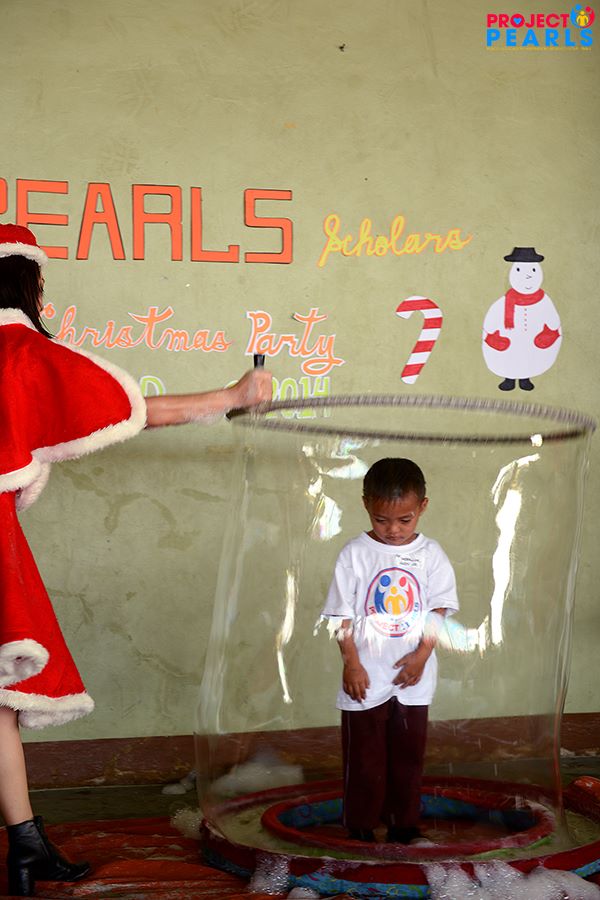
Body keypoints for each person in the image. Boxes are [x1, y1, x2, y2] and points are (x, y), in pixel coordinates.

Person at [0, 223, 272, 896]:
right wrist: (233, 397)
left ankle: (27, 846)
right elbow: (130, 410)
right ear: (28, 281)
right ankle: (26, 848)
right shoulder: (20, 353)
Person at [321, 458, 459, 844]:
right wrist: (352, 664)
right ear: (366, 504)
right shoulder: (354, 553)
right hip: (365, 676)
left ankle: (403, 824)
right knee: (364, 759)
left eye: (405, 520)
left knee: (408, 756)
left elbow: (438, 610)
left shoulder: (431, 554)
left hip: (413, 677)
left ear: (422, 507)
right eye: (382, 520)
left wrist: (422, 657)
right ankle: (361, 826)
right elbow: (340, 615)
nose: (394, 530)